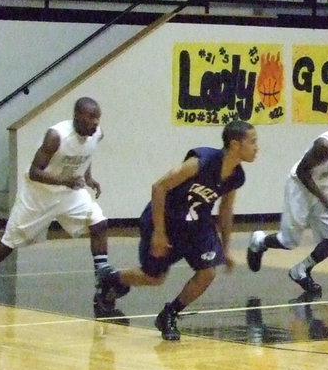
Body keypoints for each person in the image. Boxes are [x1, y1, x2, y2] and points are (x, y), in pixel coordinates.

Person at [94, 120, 259, 340]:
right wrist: (159, 232)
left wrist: (226, 247)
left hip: (197, 225)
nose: (257, 147)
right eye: (253, 141)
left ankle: (169, 314)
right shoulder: (201, 161)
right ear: (235, 144)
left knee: (207, 272)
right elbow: (159, 187)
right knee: (154, 277)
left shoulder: (237, 176)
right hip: (165, 221)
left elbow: (226, 209)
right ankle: (112, 278)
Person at [0, 97, 119, 306]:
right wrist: (66, 180)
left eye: (98, 118)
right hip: (39, 192)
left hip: (69, 192)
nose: (95, 122)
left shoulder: (97, 134)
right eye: (91, 117)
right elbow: (34, 172)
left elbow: (86, 154)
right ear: (77, 116)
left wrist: (89, 177)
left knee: (99, 222)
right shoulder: (56, 136)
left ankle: (102, 278)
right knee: (12, 239)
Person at [246, 108, 328, 297]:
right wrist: (324, 199)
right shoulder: (325, 145)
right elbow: (303, 172)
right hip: (301, 185)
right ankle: (259, 241)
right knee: (289, 241)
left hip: (327, 187)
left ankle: (301, 270)